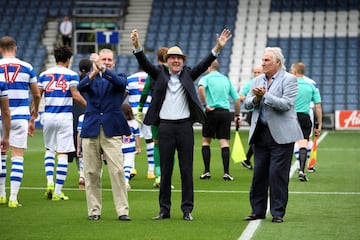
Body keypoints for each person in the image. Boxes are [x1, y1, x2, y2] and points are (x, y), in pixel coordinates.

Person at [130, 28, 232, 221]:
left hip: (185, 128)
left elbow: (204, 64)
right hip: (165, 128)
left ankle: (187, 210)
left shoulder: (188, 74)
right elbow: (143, 62)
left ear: (183, 61)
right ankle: (164, 210)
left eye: (179, 58)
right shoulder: (158, 74)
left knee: (186, 170)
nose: (176, 61)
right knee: (166, 171)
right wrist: (136, 45)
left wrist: (218, 47)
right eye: (172, 58)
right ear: (167, 61)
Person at [243, 47, 303, 223]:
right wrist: (256, 99)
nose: (263, 63)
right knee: (259, 174)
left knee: (277, 174)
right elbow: (247, 103)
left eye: (267, 60)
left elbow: (286, 104)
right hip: (260, 133)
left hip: (282, 135)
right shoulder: (256, 80)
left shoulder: (289, 79)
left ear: (278, 62)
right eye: (262, 60)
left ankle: (277, 212)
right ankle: (257, 211)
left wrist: (266, 95)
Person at [77, 48, 131, 221]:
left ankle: (122, 211)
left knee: (117, 171)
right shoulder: (90, 79)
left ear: (113, 62)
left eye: (109, 60)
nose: (106, 62)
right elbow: (80, 87)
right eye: (103, 59)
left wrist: (104, 70)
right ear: (96, 61)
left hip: (112, 129)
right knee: (91, 172)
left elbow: (120, 84)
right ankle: (94, 211)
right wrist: (94, 72)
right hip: (91, 128)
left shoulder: (119, 76)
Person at [38, 45, 86, 201]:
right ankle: (58, 192)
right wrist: (89, 106)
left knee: (49, 150)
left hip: (48, 116)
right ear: (68, 60)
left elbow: (38, 96)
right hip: (64, 117)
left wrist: (33, 113)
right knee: (63, 153)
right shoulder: (71, 75)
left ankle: (50, 182)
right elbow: (76, 95)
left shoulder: (44, 75)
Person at [0, 36, 41, 208]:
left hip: (1, 116)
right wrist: (35, 112)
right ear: (15, 48)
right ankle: (13, 198)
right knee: (17, 156)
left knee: (1, 154)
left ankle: (1, 194)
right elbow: (37, 94)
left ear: (1, 49)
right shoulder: (27, 67)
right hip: (20, 117)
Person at [198, 59, 241, 181]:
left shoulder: (206, 78)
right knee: (224, 143)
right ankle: (226, 173)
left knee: (206, 142)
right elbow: (237, 99)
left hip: (211, 112)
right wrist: (237, 115)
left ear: (209, 67)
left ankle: (207, 172)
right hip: (225, 113)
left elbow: (201, 88)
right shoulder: (225, 79)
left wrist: (205, 104)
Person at [136, 47, 168, 187]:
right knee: (170, 146)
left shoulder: (153, 73)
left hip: (155, 112)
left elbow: (145, 91)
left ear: (157, 58)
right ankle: (166, 177)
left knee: (156, 143)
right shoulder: (173, 72)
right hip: (170, 113)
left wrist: (139, 109)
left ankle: (158, 175)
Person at [290, 62, 322, 181]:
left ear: (295, 71)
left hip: (290, 117)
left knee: (286, 143)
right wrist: (319, 124)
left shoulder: (289, 84)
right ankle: (302, 171)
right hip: (304, 116)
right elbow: (318, 106)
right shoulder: (311, 86)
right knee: (303, 142)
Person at [125, 67, 155, 180]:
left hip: (134, 112)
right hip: (148, 111)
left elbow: (124, 95)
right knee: (149, 139)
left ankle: (132, 167)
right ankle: (151, 171)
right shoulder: (151, 77)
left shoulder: (130, 79)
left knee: (131, 139)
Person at [68, 58, 92, 188]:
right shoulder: (92, 79)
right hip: (89, 113)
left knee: (78, 146)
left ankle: (81, 172)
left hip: (75, 114)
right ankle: (89, 173)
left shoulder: (74, 80)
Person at [239, 65, 263, 170]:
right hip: (253, 113)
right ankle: (248, 160)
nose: (257, 74)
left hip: (262, 113)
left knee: (258, 138)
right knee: (257, 138)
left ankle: (247, 160)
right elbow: (240, 96)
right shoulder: (251, 83)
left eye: (259, 72)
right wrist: (252, 99)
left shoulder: (266, 82)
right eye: (255, 72)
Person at [121, 102, 141, 189]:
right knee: (128, 165)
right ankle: (125, 182)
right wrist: (138, 147)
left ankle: (121, 181)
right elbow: (137, 136)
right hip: (130, 147)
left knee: (120, 166)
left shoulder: (118, 122)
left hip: (119, 147)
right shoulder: (134, 123)